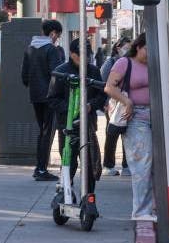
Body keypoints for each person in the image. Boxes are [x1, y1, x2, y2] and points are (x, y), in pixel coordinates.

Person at [104, 33, 155, 222]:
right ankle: (141, 211)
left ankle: (153, 207)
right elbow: (109, 87)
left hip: (156, 115)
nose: (150, 54)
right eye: (147, 49)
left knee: (157, 165)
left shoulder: (155, 63)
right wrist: (127, 101)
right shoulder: (125, 63)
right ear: (138, 46)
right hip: (135, 117)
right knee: (142, 163)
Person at [47, 37, 107, 192]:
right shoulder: (61, 72)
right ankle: (65, 190)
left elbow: (102, 96)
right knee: (69, 160)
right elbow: (52, 99)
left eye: (88, 54)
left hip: (88, 125)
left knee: (89, 163)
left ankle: (89, 197)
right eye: (81, 54)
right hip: (66, 125)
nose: (85, 58)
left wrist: (90, 105)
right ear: (72, 54)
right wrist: (72, 108)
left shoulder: (93, 71)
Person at [22, 19, 65, 181]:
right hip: (49, 96)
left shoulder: (30, 48)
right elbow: (57, 74)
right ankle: (41, 169)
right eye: (58, 35)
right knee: (48, 132)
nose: (57, 39)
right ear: (53, 33)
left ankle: (40, 167)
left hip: (35, 95)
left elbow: (24, 76)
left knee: (43, 131)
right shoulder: (52, 50)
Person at [100, 38, 129, 175]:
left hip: (126, 103)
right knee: (112, 134)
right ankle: (108, 165)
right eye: (126, 47)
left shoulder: (131, 62)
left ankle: (126, 165)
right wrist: (105, 103)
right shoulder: (110, 63)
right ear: (118, 47)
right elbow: (102, 84)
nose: (128, 50)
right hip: (112, 104)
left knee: (127, 134)